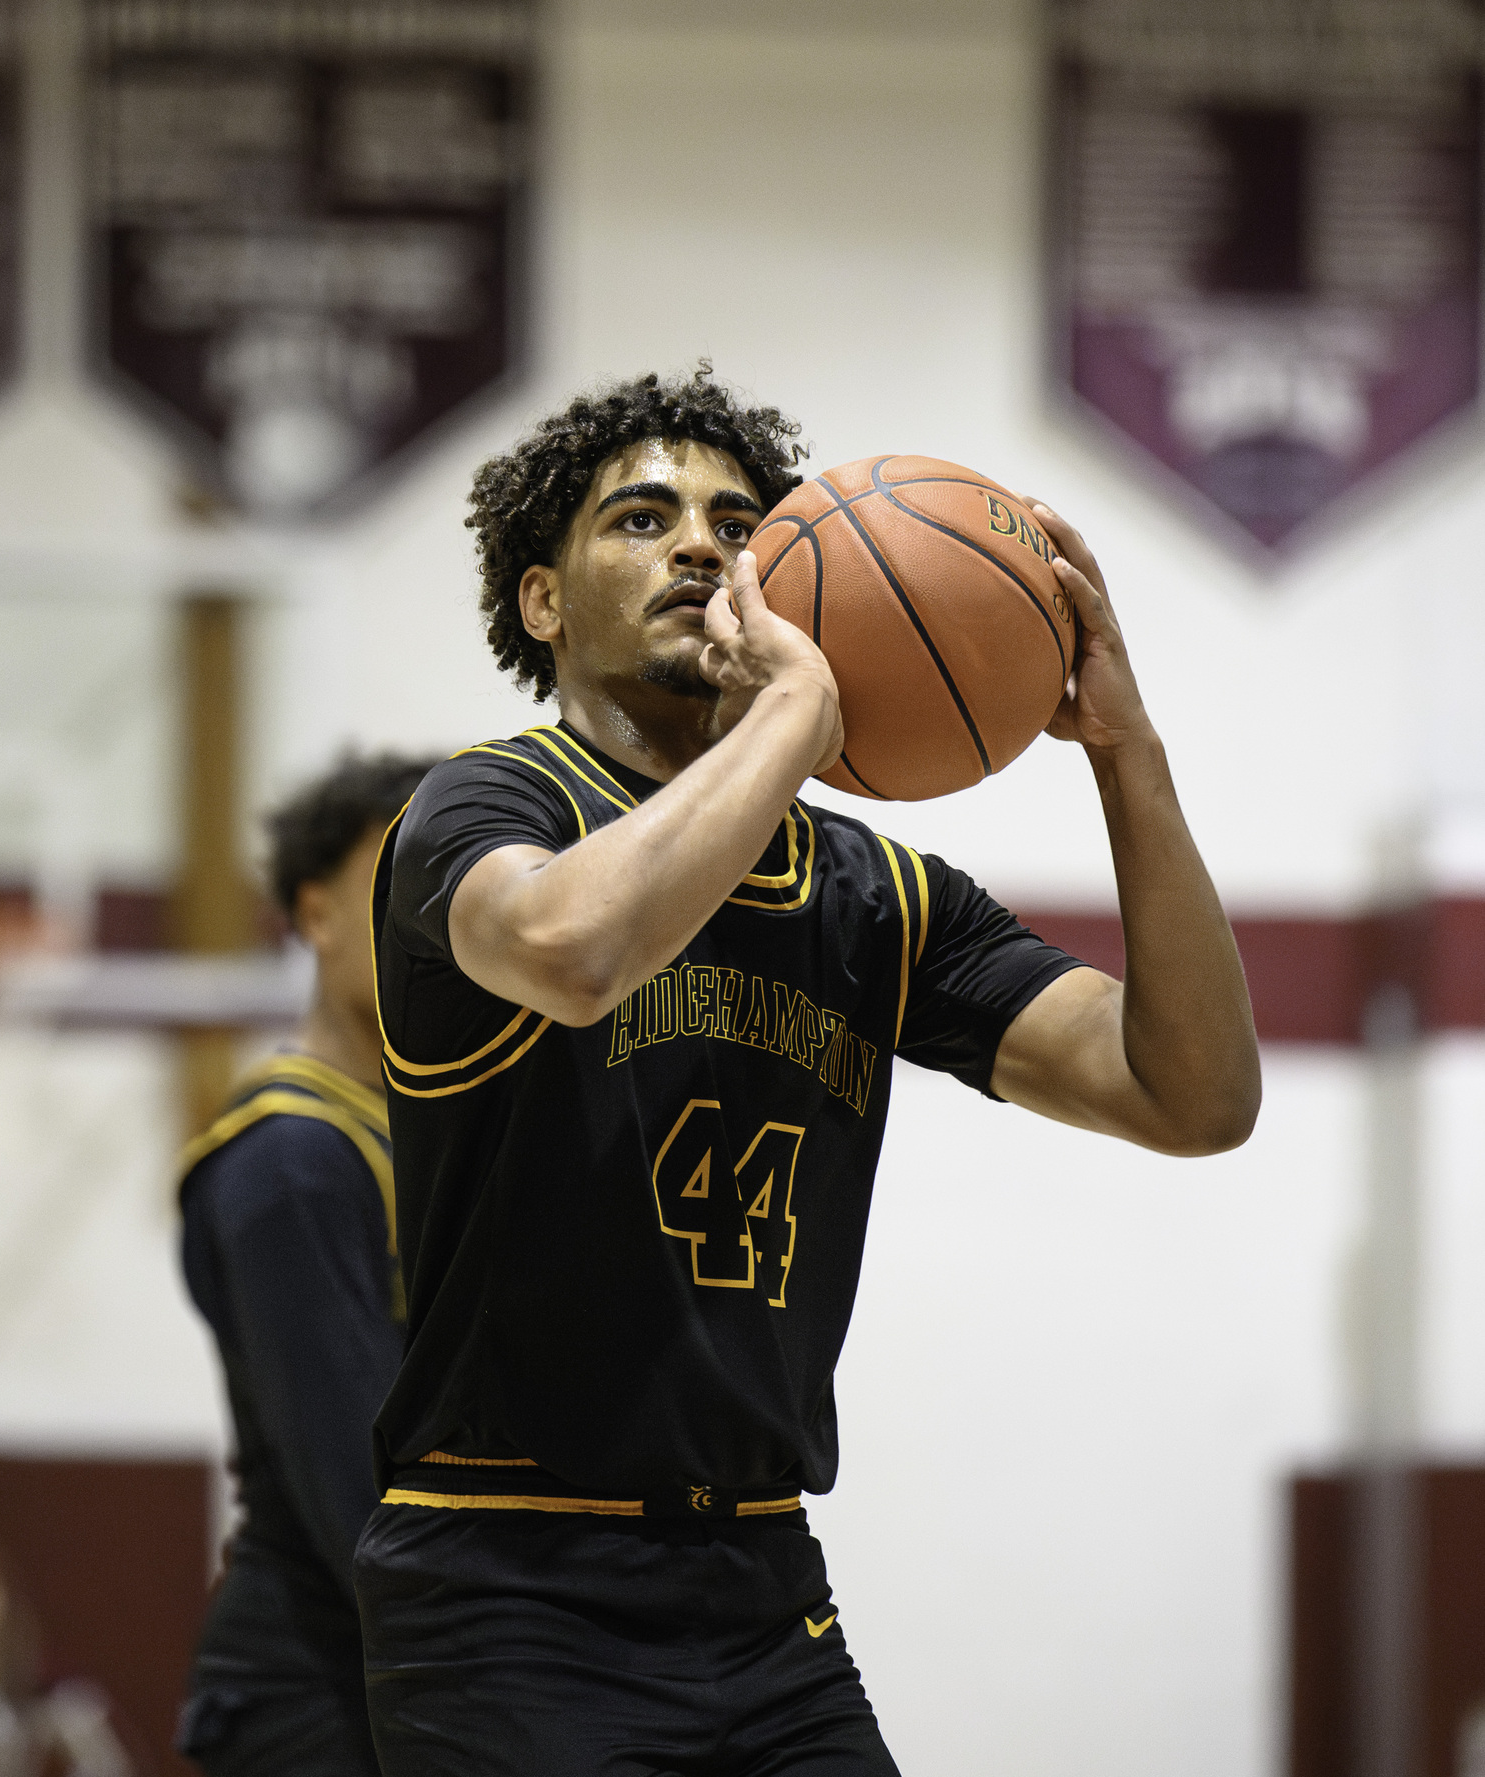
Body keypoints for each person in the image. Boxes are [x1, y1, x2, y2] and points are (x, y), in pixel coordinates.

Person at [356, 369, 1261, 1776]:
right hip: (508, 1581)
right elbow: (574, 951)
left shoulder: (880, 897)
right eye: (642, 519)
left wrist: (1127, 753)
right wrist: (798, 712)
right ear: (543, 603)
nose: (703, 547)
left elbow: (1195, 1097)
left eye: (736, 522)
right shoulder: (487, 804)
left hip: (765, 1586)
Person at [176, 752, 438, 1777]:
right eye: (400, 878)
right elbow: (356, 1485)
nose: (434, 914)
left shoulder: (426, 1137)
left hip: (393, 1667)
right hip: (320, 1685)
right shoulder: (293, 1157)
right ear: (315, 910)